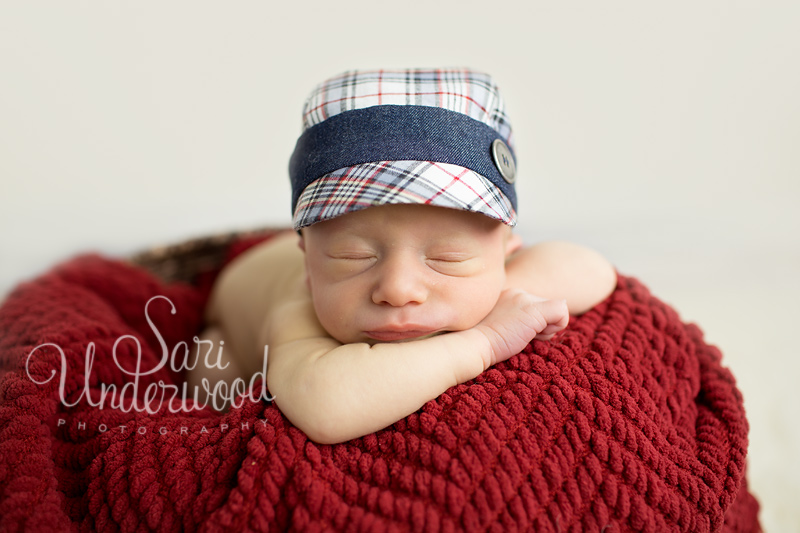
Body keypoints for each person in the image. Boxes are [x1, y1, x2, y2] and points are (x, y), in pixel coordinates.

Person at [189, 68, 617, 444]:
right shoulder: (298, 312)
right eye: (351, 255)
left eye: (447, 257)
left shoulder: (495, 274)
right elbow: (326, 406)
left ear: (505, 254)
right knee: (214, 376)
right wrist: (483, 342)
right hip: (229, 333)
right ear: (308, 265)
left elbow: (592, 270)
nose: (398, 289)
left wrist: (500, 291)